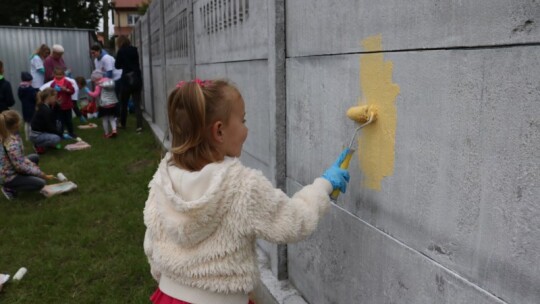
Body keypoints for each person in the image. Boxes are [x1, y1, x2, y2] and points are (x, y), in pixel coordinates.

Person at [143, 79, 350, 304]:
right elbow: (294, 222)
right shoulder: (243, 187)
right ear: (219, 131)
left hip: (169, 297)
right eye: (243, 120)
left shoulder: (162, 182)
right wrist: (324, 185)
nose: (246, 129)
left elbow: (152, 244)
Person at [0, 110, 54, 200]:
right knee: (41, 183)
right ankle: (9, 188)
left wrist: (35, 170)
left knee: (34, 157)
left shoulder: (5, 135)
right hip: (7, 176)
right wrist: (41, 174)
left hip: (6, 169)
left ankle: (23, 180)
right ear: (15, 125)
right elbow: (20, 166)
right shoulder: (12, 144)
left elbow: (20, 160)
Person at [115, 35, 143, 132]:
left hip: (126, 80)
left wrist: (123, 64)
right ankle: (139, 126)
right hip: (136, 79)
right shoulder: (134, 50)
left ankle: (123, 124)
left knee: (124, 103)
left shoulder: (121, 51)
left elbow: (117, 66)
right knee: (137, 104)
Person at [29, 88, 62, 154]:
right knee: (56, 138)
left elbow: (55, 117)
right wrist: (60, 134)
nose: (56, 99)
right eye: (55, 97)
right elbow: (50, 125)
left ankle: (47, 143)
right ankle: (38, 145)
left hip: (40, 132)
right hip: (36, 135)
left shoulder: (45, 106)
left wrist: (57, 105)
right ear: (49, 97)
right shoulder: (45, 110)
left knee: (58, 125)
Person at [87, 70, 119, 138]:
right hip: (113, 103)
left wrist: (88, 91)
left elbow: (95, 95)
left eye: (94, 80)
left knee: (105, 119)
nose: (94, 82)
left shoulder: (99, 85)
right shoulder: (109, 80)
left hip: (104, 104)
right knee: (112, 118)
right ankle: (114, 130)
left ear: (95, 79)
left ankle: (106, 134)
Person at [49, 67, 76, 139]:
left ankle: (71, 132)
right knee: (60, 121)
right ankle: (60, 134)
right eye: (57, 74)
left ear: (63, 74)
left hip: (67, 105)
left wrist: (66, 89)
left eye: (60, 74)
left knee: (69, 120)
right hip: (58, 106)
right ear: (54, 74)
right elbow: (50, 94)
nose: (58, 76)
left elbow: (72, 91)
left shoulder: (67, 82)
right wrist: (54, 91)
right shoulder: (53, 84)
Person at [17, 72, 38, 141]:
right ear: (29, 80)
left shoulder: (20, 88)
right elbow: (34, 98)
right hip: (31, 107)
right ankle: (32, 136)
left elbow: (19, 96)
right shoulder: (31, 89)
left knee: (26, 122)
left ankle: (27, 137)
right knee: (32, 122)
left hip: (24, 107)